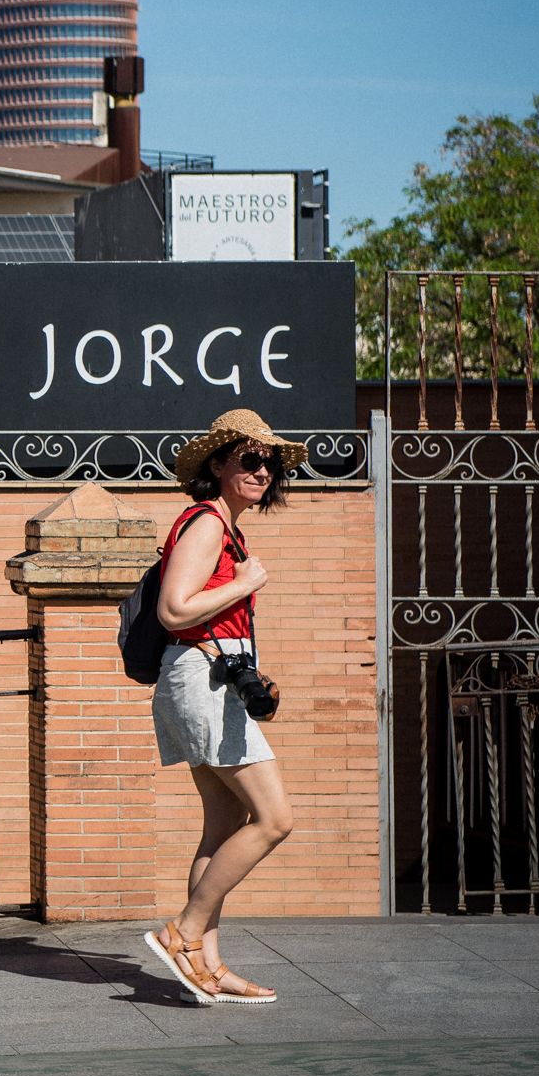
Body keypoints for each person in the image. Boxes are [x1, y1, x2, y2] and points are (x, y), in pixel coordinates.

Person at [141, 409, 302, 1007]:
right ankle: (182, 933)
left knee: (225, 825)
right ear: (218, 465)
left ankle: (207, 966)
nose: (263, 470)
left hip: (215, 681)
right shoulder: (207, 523)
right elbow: (174, 611)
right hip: (198, 681)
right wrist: (247, 581)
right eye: (249, 459)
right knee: (273, 818)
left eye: (270, 462)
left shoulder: (226, 528)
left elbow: (206, 620)